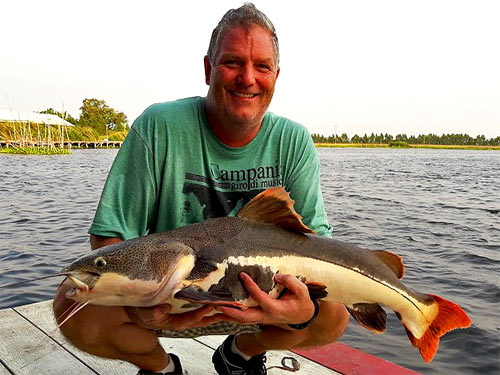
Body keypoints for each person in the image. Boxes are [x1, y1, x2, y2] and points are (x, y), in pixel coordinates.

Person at [53, 3, 349, 375]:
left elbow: (316, 242)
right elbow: (111, 237)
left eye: (261, 66)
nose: (247, 78)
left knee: (332, 316)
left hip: (258, 303)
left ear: (276, 75)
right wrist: (140, 306)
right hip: (169, 302)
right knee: (71, 307)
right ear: (208, 68)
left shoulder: (294, 141)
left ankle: (240, 354)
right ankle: (160, 368)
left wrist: (303, 313)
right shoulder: (158, 126)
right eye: (232, 62)